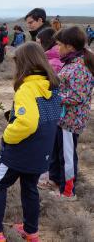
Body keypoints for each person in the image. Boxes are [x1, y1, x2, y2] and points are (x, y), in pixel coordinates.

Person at [0, 42, 61, 242]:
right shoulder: (53, 85)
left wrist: (7, 135)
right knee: (30, 188)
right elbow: (49, 117)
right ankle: (31, 231)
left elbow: (28, 123)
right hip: (42, 151)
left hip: (20, 151)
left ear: (24, 64)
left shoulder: (27, 88)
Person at [44, 26, 94, 200]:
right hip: (62, 118)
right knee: (58, 152)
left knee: (66, 156)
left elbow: (77, 96)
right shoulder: (71, 62)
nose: (57, 48)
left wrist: (53, 96)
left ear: (70, 46)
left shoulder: (79, 67)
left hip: (71, 120)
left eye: (60, 45)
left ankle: (68, 192)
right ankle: (57, 181)